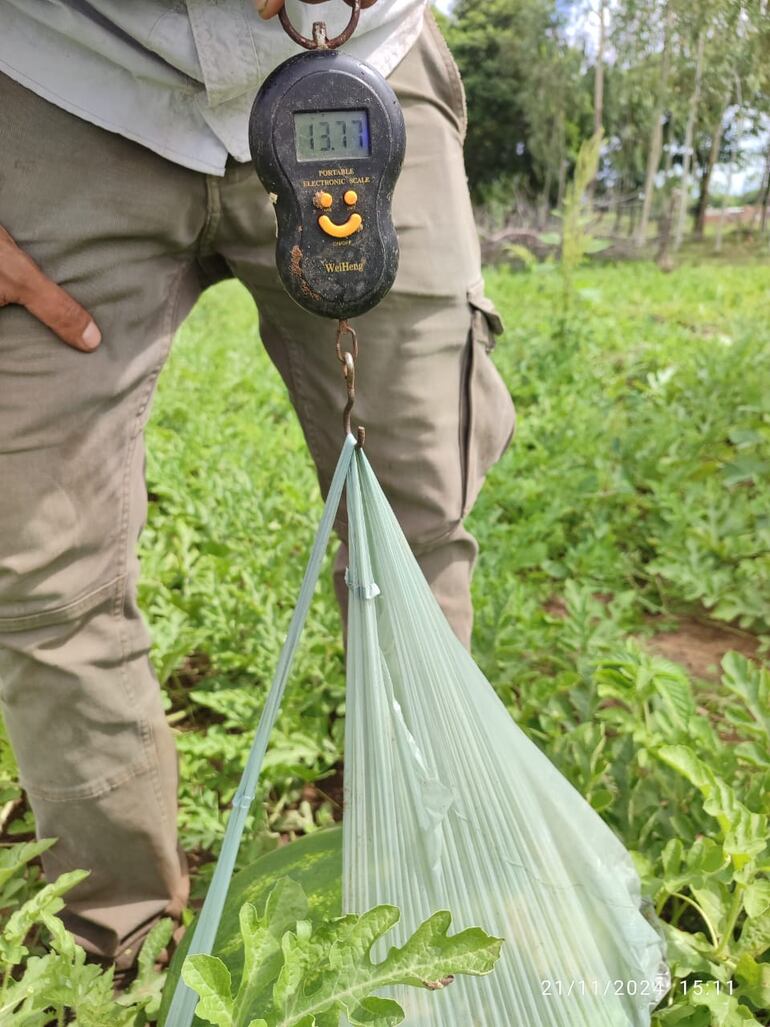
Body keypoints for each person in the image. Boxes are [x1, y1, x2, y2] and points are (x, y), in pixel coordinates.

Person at [0, 0, 515, 970]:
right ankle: (111, 951)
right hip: (57, 79)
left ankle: (413, 923)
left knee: (415, 535)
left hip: (366, 55)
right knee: (37, 571)